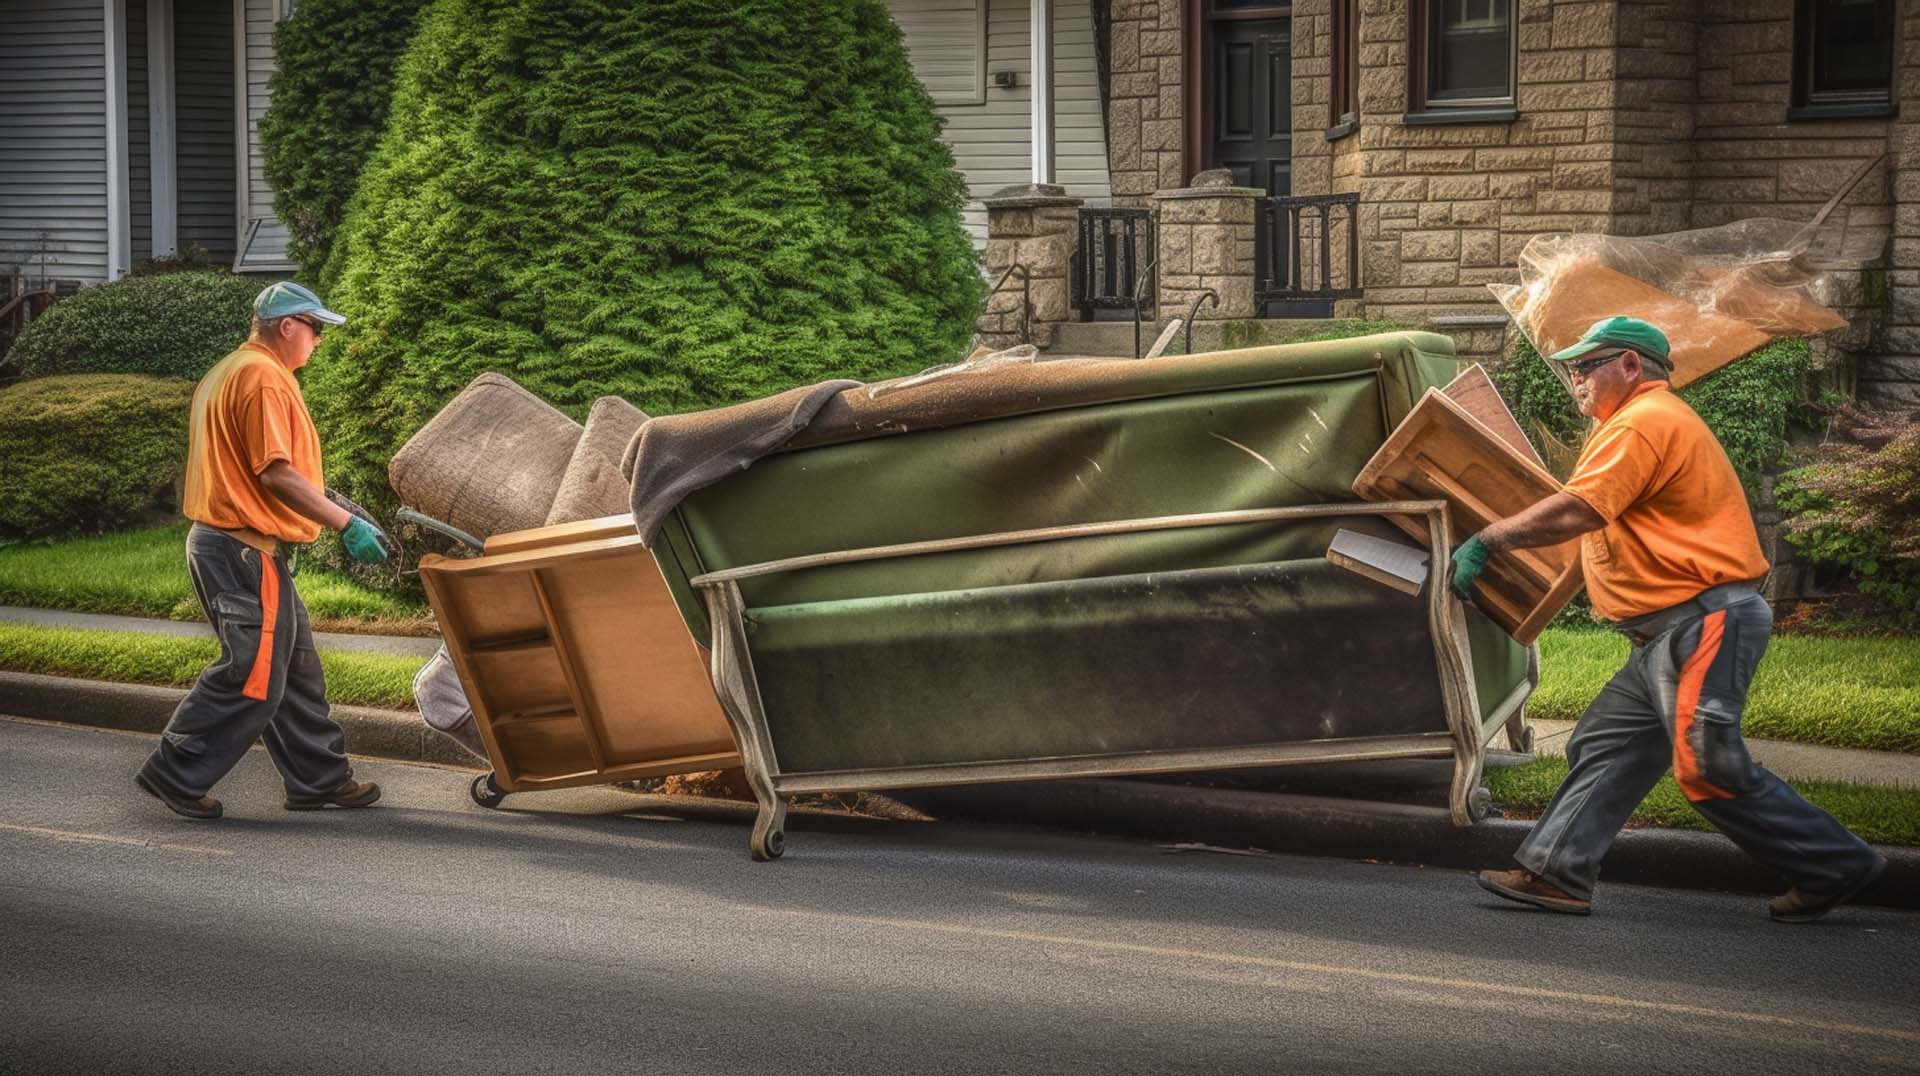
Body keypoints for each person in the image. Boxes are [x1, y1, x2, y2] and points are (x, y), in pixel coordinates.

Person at [1452, 316, 1885, 922]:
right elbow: (1606, 532)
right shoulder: (1632, 426)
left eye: (1585, 366)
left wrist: (1488, 541)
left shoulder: (1644, 421)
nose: (1573, 379)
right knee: (1605, 745)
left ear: (1630, 366)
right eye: (1572, 368)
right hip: (1666, 634)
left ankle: (1834, 864)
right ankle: (1556, 873)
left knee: (1708, 768)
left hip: (1701, 623)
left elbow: (1580, 510)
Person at [135, 282, 393, 820]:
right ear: (288, 326)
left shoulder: (232, 369)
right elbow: (273, 471)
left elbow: (273, 470)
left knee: (294, 669)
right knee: (253, 673)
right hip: (243, 549)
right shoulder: (263, 378)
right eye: (316, 329)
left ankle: (319, 778)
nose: (319, 341)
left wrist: (335, 505)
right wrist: (344, 524)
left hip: (235, 545)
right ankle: (176, 769)